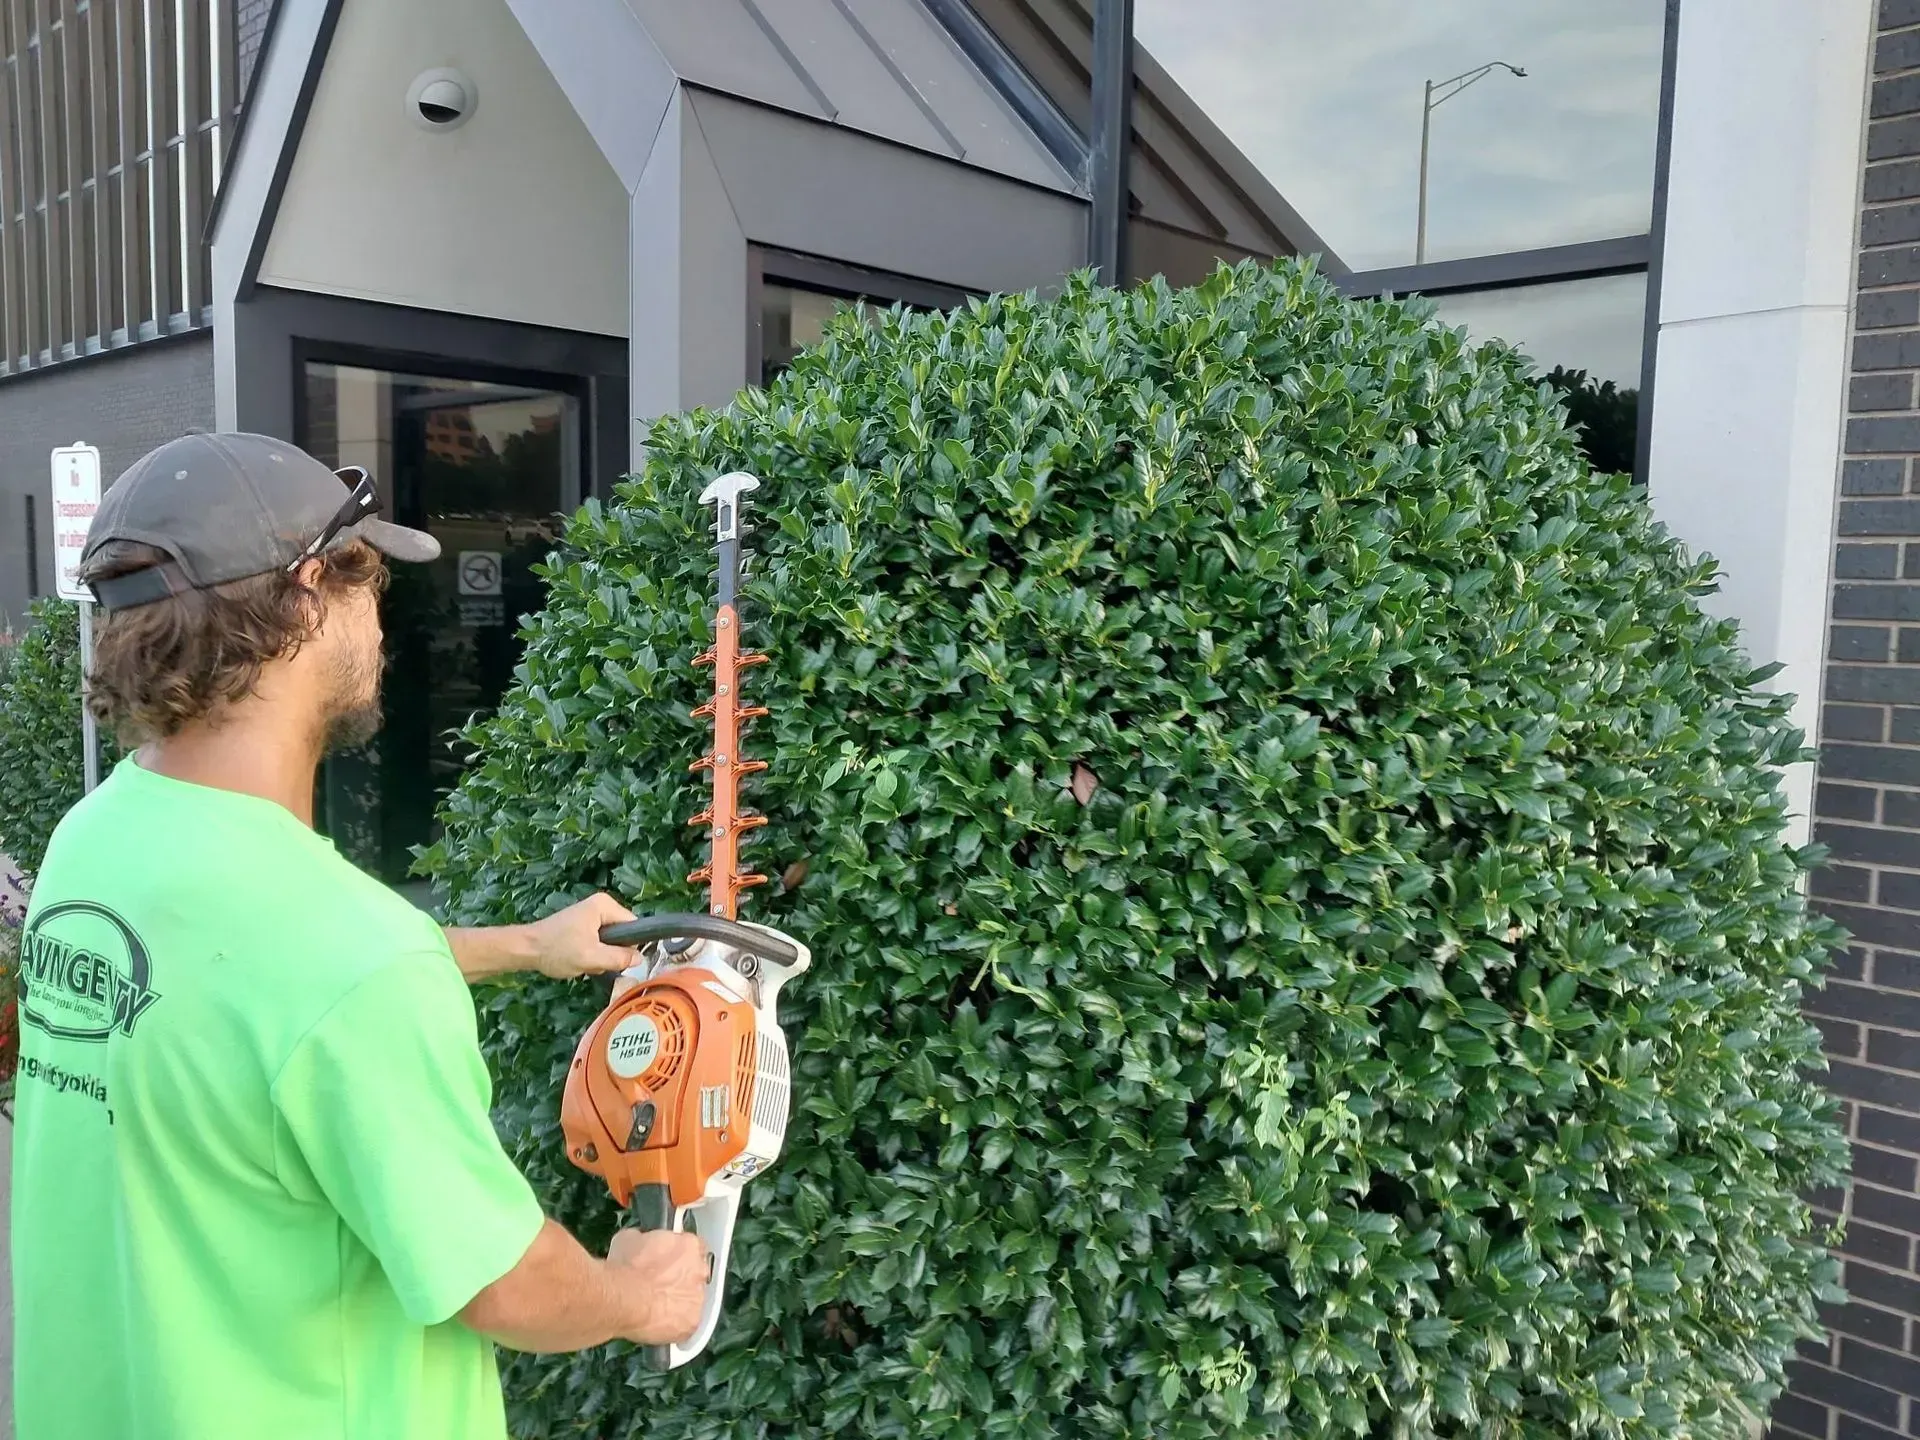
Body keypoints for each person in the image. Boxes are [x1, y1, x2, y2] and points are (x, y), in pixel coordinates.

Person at [10, 433, 706, 1440]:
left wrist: (525, 945)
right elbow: (502, 1283)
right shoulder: (348, 957)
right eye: (367, 578)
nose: (379, 615)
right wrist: (639, 1291)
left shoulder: (95, 845)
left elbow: (247, 1003)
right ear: (304, 596)